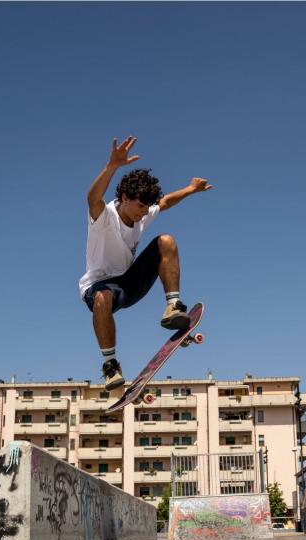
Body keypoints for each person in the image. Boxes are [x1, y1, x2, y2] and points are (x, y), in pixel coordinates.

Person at [80, 136, 213, 389]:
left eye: (146, 207)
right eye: (140, 206)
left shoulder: (142, 214)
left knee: (166, 241)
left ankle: (173, 306)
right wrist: (111, 167)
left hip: (130, 282)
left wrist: (191, 189)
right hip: (100, 287)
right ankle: (110, 365)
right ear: (124, 197)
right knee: (102, 298)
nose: (144, 212)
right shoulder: (103, 217)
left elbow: (164, 202)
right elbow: (92, 198)